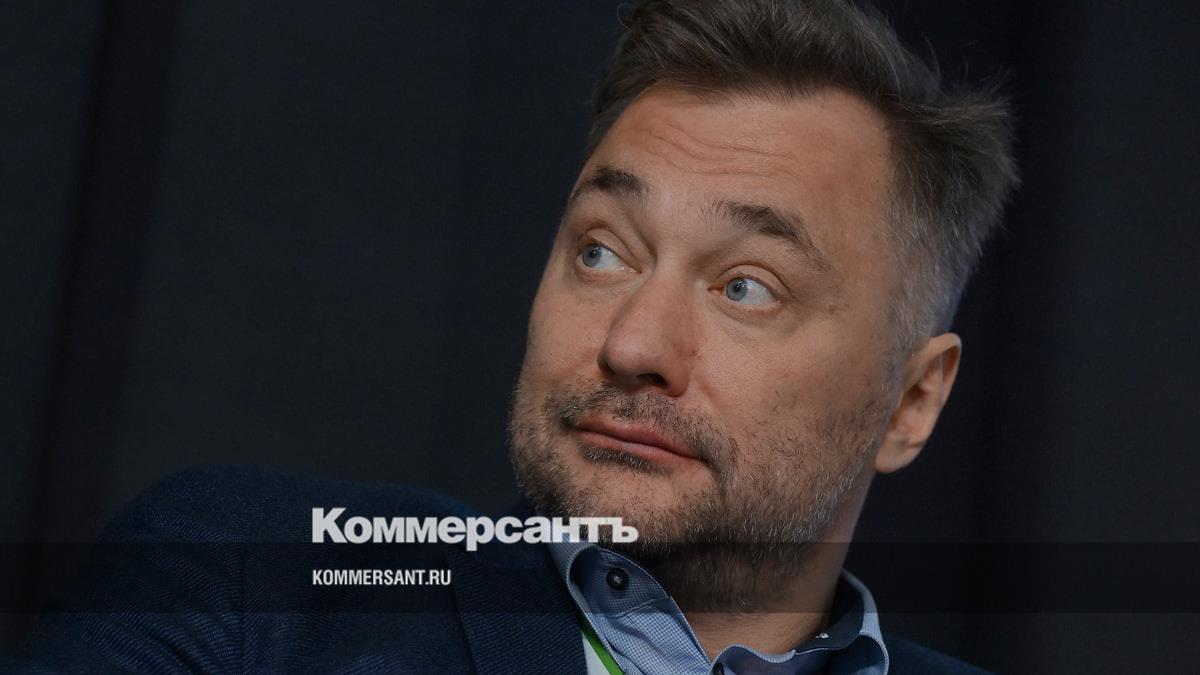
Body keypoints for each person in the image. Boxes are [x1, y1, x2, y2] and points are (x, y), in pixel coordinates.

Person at [7, 0, 1015, 672]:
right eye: (603, 252)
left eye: (746, 287)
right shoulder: (256, 585)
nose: (633, 344)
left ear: (911, 400)